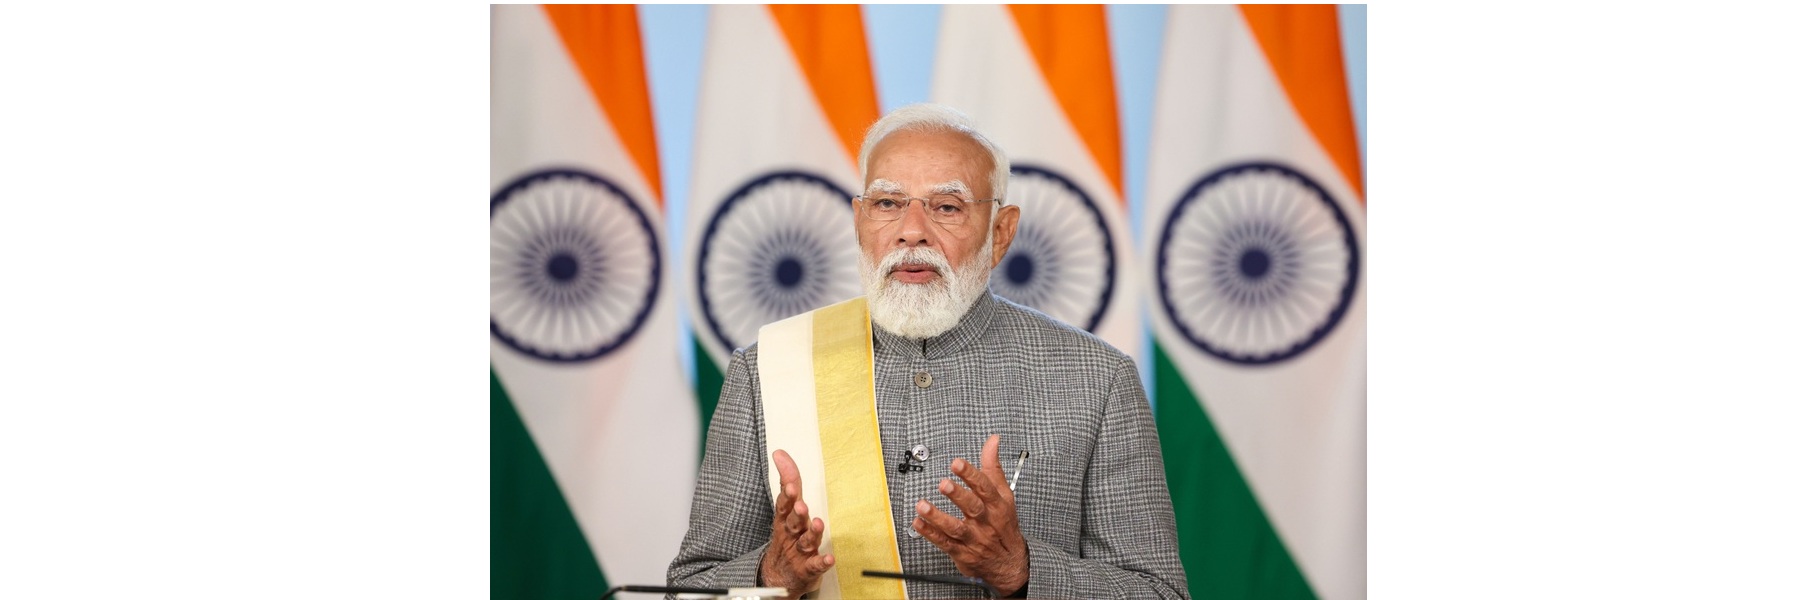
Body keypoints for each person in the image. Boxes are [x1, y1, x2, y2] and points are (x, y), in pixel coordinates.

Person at [668, 103, 1188, 599]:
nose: (911, 232)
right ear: (859, 221)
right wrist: (771, 575)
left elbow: (1159, 593)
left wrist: (1020, 571)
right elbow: (690, 590)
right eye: (888, 204)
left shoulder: (1097, 379)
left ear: (1000, 232)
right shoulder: (768, 370)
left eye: (946, 207)